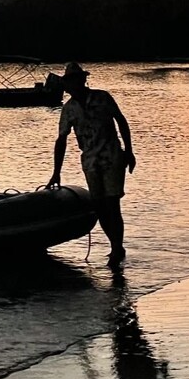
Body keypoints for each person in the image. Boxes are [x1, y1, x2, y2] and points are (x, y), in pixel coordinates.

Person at [48, 62, 136, 267]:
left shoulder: (103, 98)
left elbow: (121, 121)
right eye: (69, 82)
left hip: (112, 156)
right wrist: (56, 172)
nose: (71, 86)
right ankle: (115, 245)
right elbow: (61, 140)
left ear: (82, 80)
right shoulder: (69, 109)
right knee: (99, 206)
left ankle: (116, 248)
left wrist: (129, 152)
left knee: (113, 204)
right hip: (90, 161)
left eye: (74, 81)